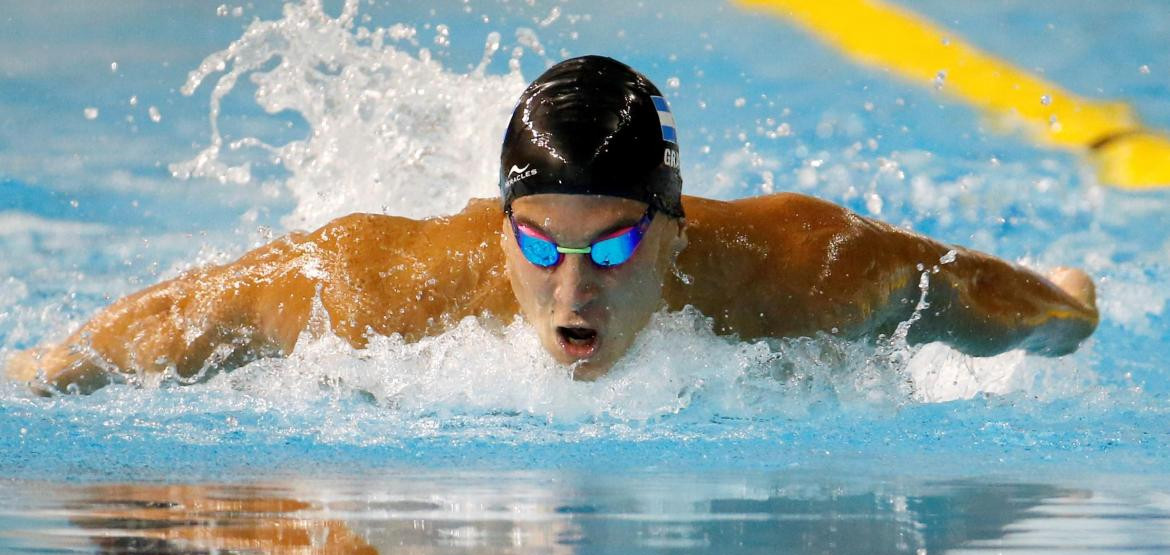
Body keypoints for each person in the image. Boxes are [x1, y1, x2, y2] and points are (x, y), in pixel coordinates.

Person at [7, 56, 1098, 395]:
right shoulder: (388, 282)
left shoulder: (809, 271)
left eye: (615, 244)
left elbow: (1010, 308)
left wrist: (1067, 310)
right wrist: (39, 373)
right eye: (540, 244)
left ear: (674, 229)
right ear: (499, 232)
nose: (573, 291)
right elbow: (204, 310)